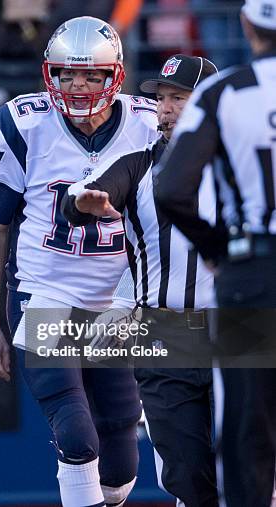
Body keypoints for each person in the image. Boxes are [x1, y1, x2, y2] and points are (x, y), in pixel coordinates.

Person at [0, 16, 159, 507]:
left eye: (91, 75)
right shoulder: (23, 123)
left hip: (119, 304)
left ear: (114, 76)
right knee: (76, 433)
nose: (77, 86)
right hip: (47, 294)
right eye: (66, 74)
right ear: (49, 74)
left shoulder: (146, 124)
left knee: (120, 456)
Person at [61, 54, 219, 506]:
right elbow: (86, 193)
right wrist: (83, 202)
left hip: (238, 328)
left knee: (249, 465)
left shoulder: (243, 163)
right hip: (164, 332)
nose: (165, 108)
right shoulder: (137, 166)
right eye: (162, 98)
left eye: (179, 98)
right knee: (186, 471)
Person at [153, 0, 276, 505]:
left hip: (254, 272)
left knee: (249, 428)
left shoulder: (223, 92)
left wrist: (217, 250)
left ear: (246, 25)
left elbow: (172, 189)